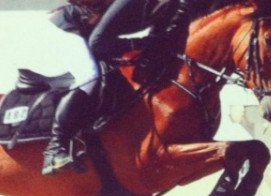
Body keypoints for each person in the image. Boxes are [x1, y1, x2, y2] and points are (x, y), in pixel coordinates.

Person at [41, 0, 192, 175]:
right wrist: (140, 44)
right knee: (89, 75)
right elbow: (97, 44)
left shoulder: (173, 5)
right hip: (60, 31)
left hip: (86, 33)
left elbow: (156, 41)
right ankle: (55, 148)